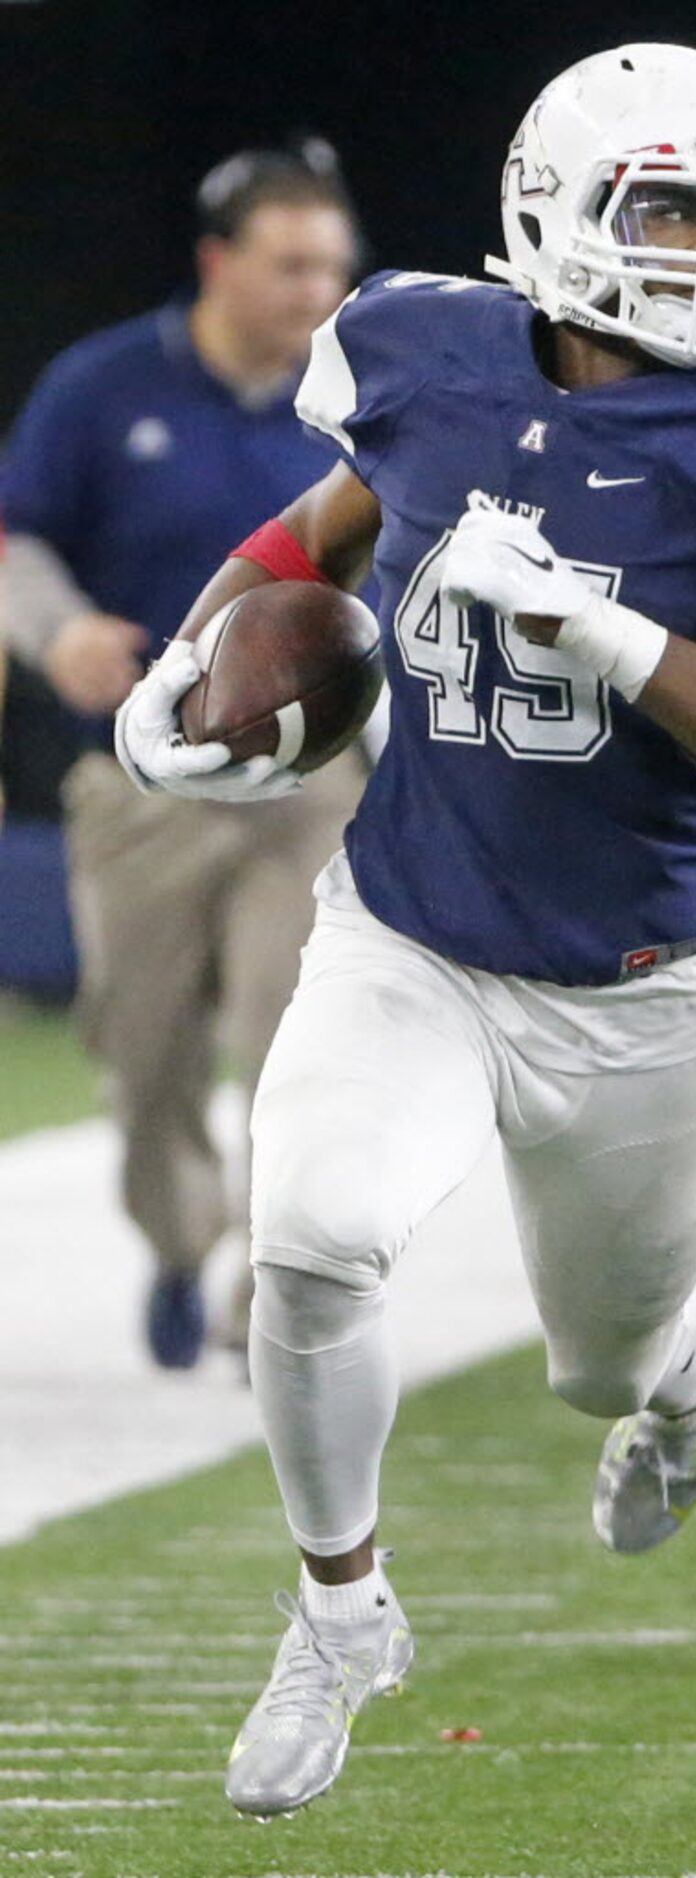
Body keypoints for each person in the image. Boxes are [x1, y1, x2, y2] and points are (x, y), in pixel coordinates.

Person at [113, 43, 696, 1816]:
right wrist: (196, 673)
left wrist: (603, 631)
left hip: (633, 991)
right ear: (553, 217)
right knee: (315, 1239)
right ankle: (343, 1610)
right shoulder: (428, 348)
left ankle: (686, 1352)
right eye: (676, 210)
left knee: (598, 1368)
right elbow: (309, 539)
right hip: (408, 929)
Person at [0, 143, 363, 1367]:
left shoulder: (364, 397)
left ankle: (273, 1297)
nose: (320, 289)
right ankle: (176, 1237)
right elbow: (16, 541)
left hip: (305, 783)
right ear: (219, 262)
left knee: (295, 1042)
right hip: (141, 778)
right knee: (144, 1053)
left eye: (333, 263)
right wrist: (61, 637)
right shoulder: (103, 387)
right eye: (291, 263)